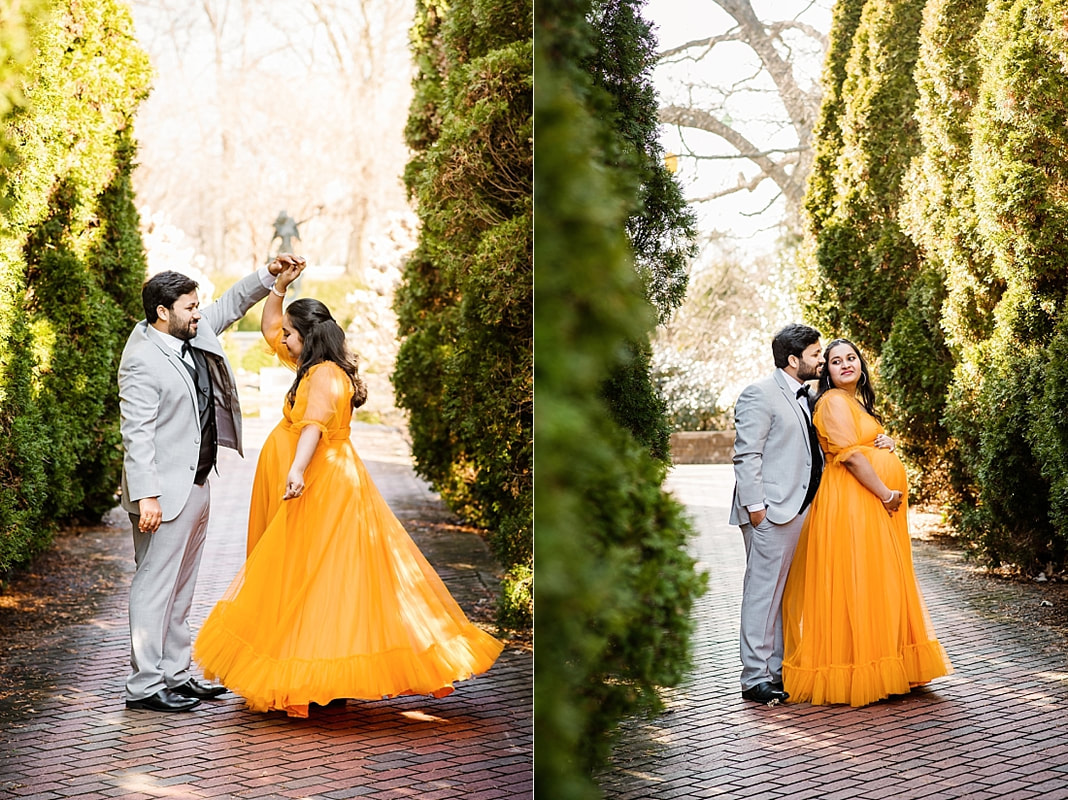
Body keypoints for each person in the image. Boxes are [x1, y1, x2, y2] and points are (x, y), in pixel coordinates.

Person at [192, 265, 504, 718]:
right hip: (313, 481)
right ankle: (322, 675)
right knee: (306, 578)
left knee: (317, 580)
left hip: (321, 486)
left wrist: (296, 472)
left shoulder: (323, 377)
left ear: (309, 337)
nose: (284, 341)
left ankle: (316, 675)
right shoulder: (313, 364)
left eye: (292, 336)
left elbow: (314, 428)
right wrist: (278, 288)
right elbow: (270, 328)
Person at [118, 255, 304, 712]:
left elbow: (233, 303)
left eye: (198, 305)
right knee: (153, 586)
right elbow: (136, 434)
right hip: (161, 495)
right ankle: (145, 686)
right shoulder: (141, 360)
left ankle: (177, 675)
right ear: (163, 311)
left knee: (182, 586)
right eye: (190, 306)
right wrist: (147, 497)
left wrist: (270, 275)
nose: (200, 313)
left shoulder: (192, 332)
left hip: (198, 481)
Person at [782, 339, 953, 707]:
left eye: (851, 358)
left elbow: (864, 446)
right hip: (853, 503)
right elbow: (852, 458)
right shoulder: (831, 402)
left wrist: (884, 444)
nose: (845, 365)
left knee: (878, 580)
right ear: (825, 370)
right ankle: (861, 668)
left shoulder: (854, 402)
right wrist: (886, 494)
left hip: (865, 503)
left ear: (861, 364)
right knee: (860, 581)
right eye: (835, 361)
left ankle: (889, 663)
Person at [730, 323, 826, 706]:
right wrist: (757, 510)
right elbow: (746, 453)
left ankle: (775, 670)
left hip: (797, 508)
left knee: (780, 596)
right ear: (793, 360)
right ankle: (754, 678)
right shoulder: (760, 394)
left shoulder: (806, 395)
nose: (820, 360)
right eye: (815, 354)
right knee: (762, 594)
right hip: (770, 513)